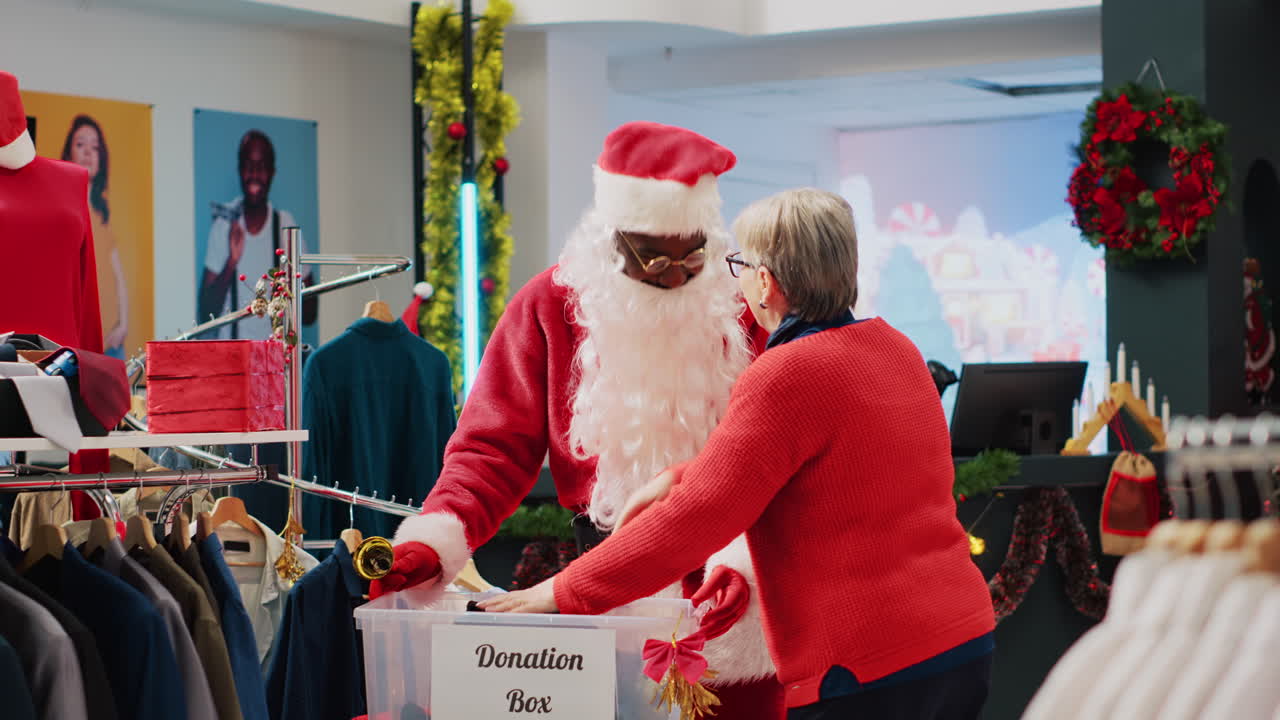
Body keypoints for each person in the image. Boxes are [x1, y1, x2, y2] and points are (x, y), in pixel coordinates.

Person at [483, 188, 998, 720]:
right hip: (959, 639)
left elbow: (697, 520)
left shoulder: (786, 373)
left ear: (766, 282)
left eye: (740, 265)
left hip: (867, 668)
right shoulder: (895, 347)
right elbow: (813, 460)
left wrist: (566, 591)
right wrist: (682, 475)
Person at [371, 121, 784, 717]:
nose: (673, 275)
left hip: (736, 594)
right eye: (653, 258)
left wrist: (746, 564)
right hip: (602, 599)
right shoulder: (549, 307)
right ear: (610, 239)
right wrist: (436, 541)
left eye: (692, 257)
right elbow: (490, 451)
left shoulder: (748, 307)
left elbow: (786, 459)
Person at [199, 129, 315, 338]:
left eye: (261, 167)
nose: (254, 174)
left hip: (275, 363)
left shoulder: (285, 226)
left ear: (272, 172)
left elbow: (310, 314)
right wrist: (231, 262)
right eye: (248, 166)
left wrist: (289, 280)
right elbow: (205, 314)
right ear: (239, 169)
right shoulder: (225, 225)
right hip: (232, 363)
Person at [62, 115, 128, 359]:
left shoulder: (102, 213)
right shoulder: (64, 210)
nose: (88, 152)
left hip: (111, 341)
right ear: (68, 154)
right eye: (80, 144)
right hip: (77, 342)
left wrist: (123, 325)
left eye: (95, 147)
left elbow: (118, 275)